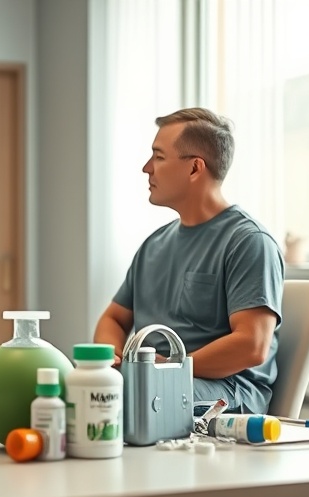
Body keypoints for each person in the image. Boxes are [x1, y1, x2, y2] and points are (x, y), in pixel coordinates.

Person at [94, 107, 284, 414]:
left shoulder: (249, 242)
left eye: (158, 157)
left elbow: (252, 346)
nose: (146, 168)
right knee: (76, 387)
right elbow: (113, 319)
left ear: (195, 168)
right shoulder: (153, 245)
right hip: (149, 382)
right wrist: (113, 358)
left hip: (226, 391)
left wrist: (168, 368)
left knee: (120, 398)